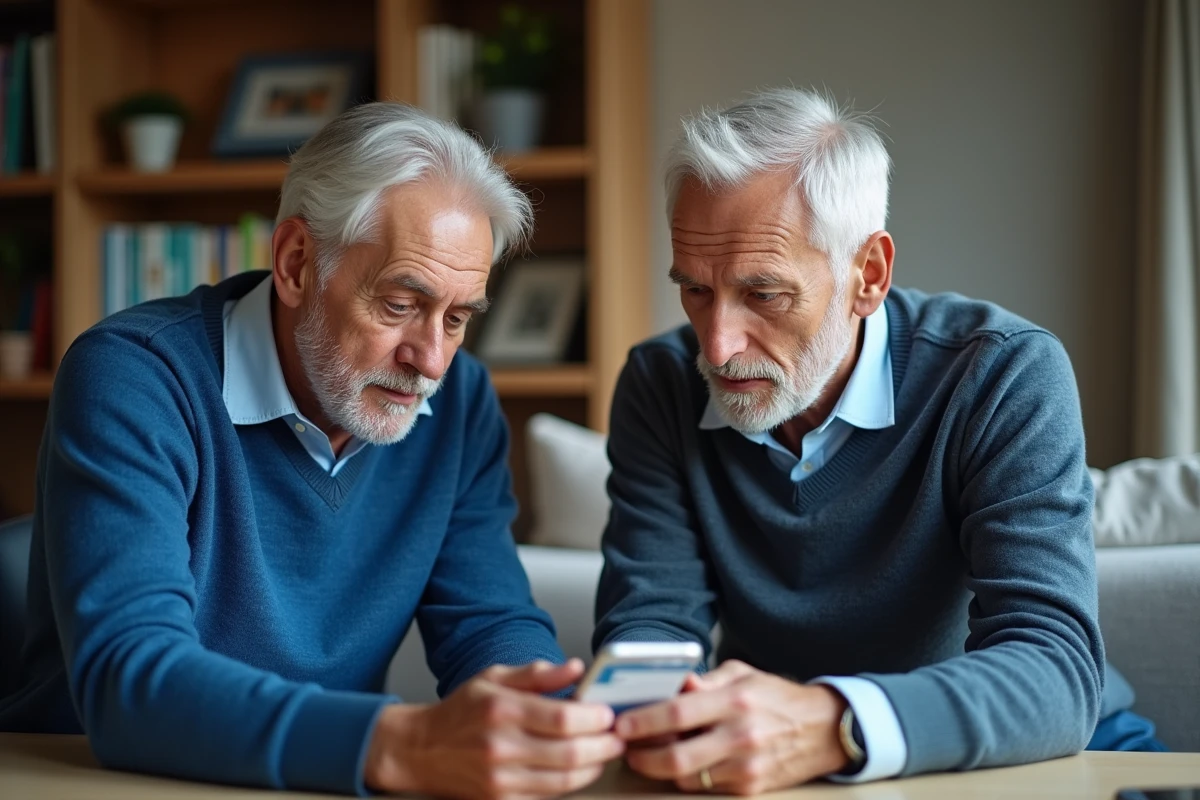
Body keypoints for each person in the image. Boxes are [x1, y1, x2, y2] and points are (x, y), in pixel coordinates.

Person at [0, 103, 624, 798]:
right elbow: (130, 678)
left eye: (457, 318)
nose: (431, 361)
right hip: (93, 779)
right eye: (398, 304)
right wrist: (401, 742)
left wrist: (545, 716)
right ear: (297, 262)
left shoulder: (459, 403)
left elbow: (486, 621)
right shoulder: (135, 376)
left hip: (319, 783)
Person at [594, 88, 1165, 794]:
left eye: (764, 294)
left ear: (867, 275)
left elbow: (1054, 667)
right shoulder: (660, 384)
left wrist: (835, 721)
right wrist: (633, 720)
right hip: (783, 775)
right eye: (696, 291)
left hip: (1045, 761)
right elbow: (653, 636)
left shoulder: (1001, 372)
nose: (716, 345)